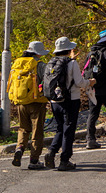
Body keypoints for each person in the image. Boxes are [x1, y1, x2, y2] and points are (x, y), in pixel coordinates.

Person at [43, 37, 95, 172]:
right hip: (70, 100)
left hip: (54, 100)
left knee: (60, 128)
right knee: (69, 130)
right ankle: (64, 160)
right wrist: (90, 82)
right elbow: (79, 82)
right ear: (69, 49)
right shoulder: (72, 63)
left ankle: (51, 152)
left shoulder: (51, 62)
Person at [8, 40, 50, 170]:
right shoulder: (40, 65)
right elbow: (47, 82)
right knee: (37, 131)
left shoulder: (17, 63)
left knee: (23, 128)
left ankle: (19, 148)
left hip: (21, 102)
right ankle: (34, 160)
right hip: (37, 102)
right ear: (39, 53)